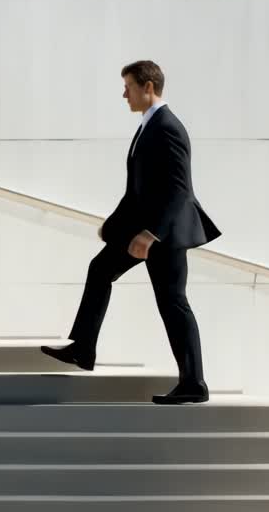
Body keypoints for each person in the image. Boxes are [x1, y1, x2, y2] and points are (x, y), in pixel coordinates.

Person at [41, 60, 221, 404]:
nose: (124, 93)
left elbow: (178, 191)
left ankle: (194, 383)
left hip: (163, 236)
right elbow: (139, 190)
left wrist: (152, 234)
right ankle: (83, 348)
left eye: (129, 86)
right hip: (144, 232)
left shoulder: (167, 127)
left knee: (173, 304)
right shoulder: (148, 126)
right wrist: (113, 225)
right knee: (100, 270)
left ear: (148, 87)